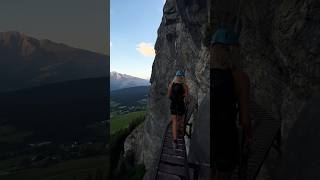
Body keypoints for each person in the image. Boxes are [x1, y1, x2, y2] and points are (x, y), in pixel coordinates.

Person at [211, 24, 253, 180]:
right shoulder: (240, 78)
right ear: (233, 51)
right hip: (225, 138)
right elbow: (244, 120)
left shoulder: (205, 73)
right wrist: (249, 136)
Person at [168, 70, 189, 149]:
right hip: (180, 105)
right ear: (182, 77)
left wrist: (174, 98)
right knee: (179, 119)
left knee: (174, 121)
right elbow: (187, 98)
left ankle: (175, 140)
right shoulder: (184, 86)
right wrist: (183, 96)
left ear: (175, 77)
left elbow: (169, 96)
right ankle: (179, 130)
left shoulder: (171, 85)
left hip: (173, 105)